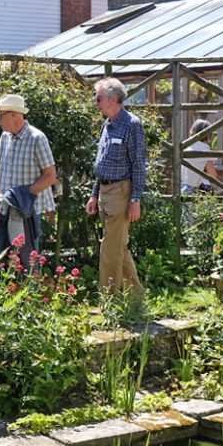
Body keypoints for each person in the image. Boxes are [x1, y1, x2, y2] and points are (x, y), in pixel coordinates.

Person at [85, 78, 145, 295]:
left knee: (110, 249)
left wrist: (135, 200)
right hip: (104, 193)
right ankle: (136, 297)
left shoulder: (132, 124)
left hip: (121, 192)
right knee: (118, 246)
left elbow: (138, 164)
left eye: (98, 98)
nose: (96, 102)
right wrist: (94, 194)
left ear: (112, 99)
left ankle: (109, 300)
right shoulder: (107, 125)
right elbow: (102, 164)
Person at [0, 94, 57, 269]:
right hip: (3, 208)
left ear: (14, 114)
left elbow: (50, 176)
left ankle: (30, 296)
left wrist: (23, 194)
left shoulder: (36, 138)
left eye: (0, 115)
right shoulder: (5, 137)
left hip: (27, 212)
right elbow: (0, 171)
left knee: (28, 263)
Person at [181, 119, 220, 194]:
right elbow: (213, 175)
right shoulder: (205, 149)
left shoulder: (186, 147)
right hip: (195, 191)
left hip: (182, 188)